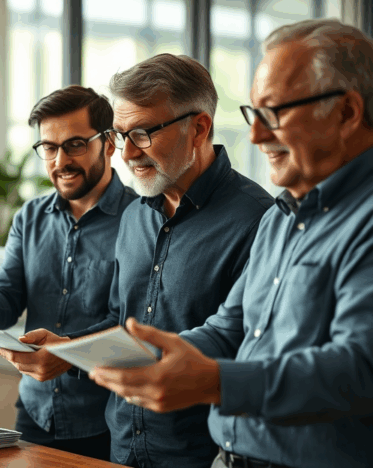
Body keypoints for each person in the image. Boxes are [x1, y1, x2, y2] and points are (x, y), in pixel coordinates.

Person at [89, 19, 373, 468]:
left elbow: (360, 368)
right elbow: (230, 328)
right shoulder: (283, 217)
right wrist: (154, 355)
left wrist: (217, 382)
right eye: (253, 115)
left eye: (275, 113)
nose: (257, 136)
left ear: (347, 113)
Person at [22, 55, 274, 467]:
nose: (126, 154)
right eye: (121, 136)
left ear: (199, 128)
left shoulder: (258, 220)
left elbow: (242, 343)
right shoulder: (135, 214)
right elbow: (122, 323)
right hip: (121, 446)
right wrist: (68, 351)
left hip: (201, 454)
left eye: (142, 133)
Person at [0, 85, 137, 461]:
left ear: (109, 144)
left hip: (107, 423)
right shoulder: (30, 218)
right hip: (36, 413)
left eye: (75, 144)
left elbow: (130, 323)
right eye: (49, 147)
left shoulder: (141, 220)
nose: (60, 161)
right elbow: (5, 305)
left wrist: (68, 352)